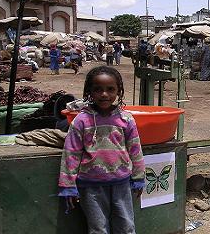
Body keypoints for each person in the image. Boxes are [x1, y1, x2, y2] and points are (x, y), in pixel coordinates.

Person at [58, 66, 145, 234]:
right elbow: (71, 154)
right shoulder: (81, 121)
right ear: (89, 92)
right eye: (98, 90)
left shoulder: (126, 119)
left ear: (119, 91)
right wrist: (68, 185)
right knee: (98, 229)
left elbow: (135, 150)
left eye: (110, 89)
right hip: (90, 186)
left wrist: (139, 176)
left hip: (121, 183)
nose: (104, 94)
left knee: (126, 226)